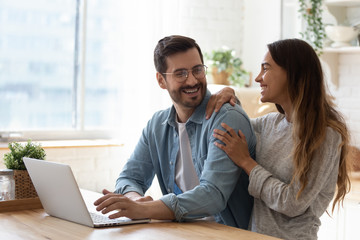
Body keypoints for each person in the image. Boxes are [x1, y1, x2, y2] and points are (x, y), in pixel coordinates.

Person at [94, 35, 256, 229]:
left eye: (197, 70)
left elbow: (213, 195)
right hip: (179, 230)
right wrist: (135, 201)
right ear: (161, 80)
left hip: (226, 233)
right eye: (180, 74)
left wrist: (146, 210)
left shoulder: (225, 118)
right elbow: (130, 178)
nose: (192, 80)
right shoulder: (157, 124)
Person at [210, 38, 351, 239]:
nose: (258, 78)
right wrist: (230, 92)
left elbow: (292, 203)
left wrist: (246, 163)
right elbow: (238, 125)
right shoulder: (270, 123)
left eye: (266, 69)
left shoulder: (326, 136)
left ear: (293, 74)